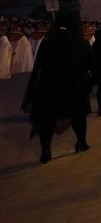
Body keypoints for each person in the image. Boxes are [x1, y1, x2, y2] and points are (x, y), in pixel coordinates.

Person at [21, 11, 92, 163]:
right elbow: (89, 64)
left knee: (47, 120)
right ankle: (81, 141)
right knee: (78, 116)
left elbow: (39, 67)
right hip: (73, 87)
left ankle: (46, 150)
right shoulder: (80, 43)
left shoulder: (48, 42)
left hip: (49, 87)